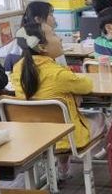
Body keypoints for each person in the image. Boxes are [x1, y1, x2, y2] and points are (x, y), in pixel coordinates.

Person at [11, 22, 104, 180]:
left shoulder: (18, 68)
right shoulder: (57, 74)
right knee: (101, 117)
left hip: (34, 138)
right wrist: (73, 94)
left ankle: (62, 168)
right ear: (42, 47)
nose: (59, 38)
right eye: (54, 34)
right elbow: (86, 85)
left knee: (60, 119)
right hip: (66, 139)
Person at [0, 1, 66, 71]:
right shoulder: (21, 41)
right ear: (38, 19)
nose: (54, 18)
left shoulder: (51, 40)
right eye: (51, 15)